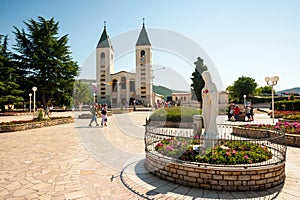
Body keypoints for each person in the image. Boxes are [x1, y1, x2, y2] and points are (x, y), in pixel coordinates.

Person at [201, 71, 218, 149]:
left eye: (205, 76)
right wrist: (204, 93)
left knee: (210, 119)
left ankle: (211, 134)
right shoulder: (205, 86)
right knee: (205, 118)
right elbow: (204, 95)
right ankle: (206, 132)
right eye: (203, 77)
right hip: (205, 106)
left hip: (210, 107)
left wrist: (209, 93)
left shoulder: (212, 84)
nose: (205, 78)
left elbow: (214, 95)